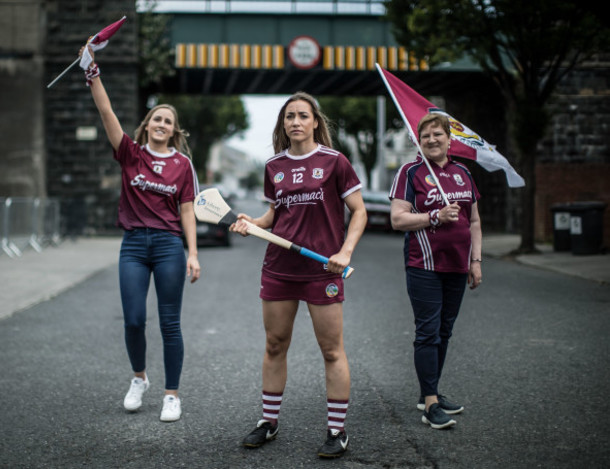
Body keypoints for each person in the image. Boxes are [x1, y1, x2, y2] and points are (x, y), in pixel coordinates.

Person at [230, 92, 367, 459]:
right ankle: (268, 422)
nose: (295, 121)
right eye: (289, 116)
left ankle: (337, 431)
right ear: (283, 124)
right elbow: (273, 218)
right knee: (275, 344)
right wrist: (250, 223)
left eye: (302, 115)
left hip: (323, 267)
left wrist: (345, 251)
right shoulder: (274, 166)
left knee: (331, 350)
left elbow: (359, 211)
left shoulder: (335, 161)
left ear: (315, 122)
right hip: (279, 267)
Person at [78, 43, 201, 422]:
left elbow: (187, 211)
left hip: (167, 246)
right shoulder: (130, 153)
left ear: (174, 130)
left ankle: (171, 395)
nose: (161, 124)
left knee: (169, 322)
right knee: (133, 319)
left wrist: (193, 253)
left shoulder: (183, 165)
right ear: (147, 125)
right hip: (132, 244)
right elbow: (106, 111)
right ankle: (139, 378)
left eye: (168, 121)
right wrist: (91, 72)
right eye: (156, 119)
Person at [389, 113, 482, 429]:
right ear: (419, 140)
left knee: (445, 330)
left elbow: (474, 221)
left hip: (458, 264)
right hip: (424, 264)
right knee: (428, 331)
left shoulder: (463, 173)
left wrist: (476, 261)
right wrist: (434, 217)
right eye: (425, 135)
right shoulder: (410, 172)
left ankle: (430, 392)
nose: (431, 140)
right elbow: (398, 219)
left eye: (437, 134)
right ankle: (430, 404)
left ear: (449, 139)